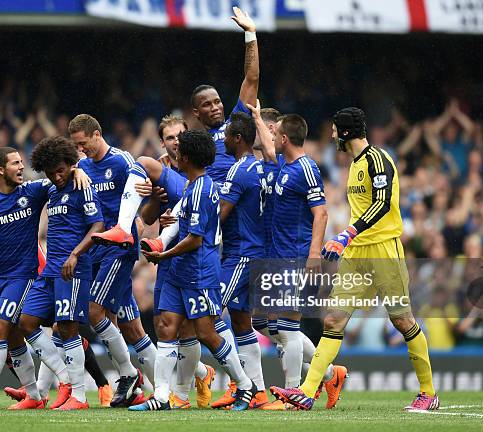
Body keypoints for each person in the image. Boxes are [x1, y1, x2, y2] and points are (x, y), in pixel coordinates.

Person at [269, 107, 439, 412]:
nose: (332, 134)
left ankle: (428, 392)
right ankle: (308, 391)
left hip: (384, 249)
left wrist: (345, 233)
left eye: (335, 130)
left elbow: (383, 204)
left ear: (345, 132)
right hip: (357, 253)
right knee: (333, 319)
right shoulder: (355, 165)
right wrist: (348, 240)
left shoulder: (378, 159)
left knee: (402, 320)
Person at [90, 5, 259, 248]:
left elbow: (251, 78)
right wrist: (155, 188)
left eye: (218, 101)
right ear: (196, 112)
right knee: (146, 163)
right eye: (207, 104)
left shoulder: (236, 126)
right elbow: (179, 174)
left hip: (222, 195)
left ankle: (159, 239)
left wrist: (250, 34)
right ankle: (124, 229)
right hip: (195, 192)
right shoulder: (193, 141)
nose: (215, 107)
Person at [0, 165, 113, 407]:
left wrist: (77, 170)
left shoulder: (20, 196)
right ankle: (36, 393)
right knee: (19, 331)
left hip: (34, 274)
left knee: (57, 327)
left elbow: (56, 180)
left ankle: (93, 384)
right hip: (5, 278)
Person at [129, 130, 256, 411]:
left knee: (206, 333)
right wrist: (162, 236)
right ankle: (162, 397)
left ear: (184, 157)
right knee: (165, 326)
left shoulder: (201, 189)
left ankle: (245, 385)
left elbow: (194, 239)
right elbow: (179, 223)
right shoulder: (192, 185)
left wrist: (164, 254)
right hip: (179, 271)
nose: (176, 154)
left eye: (179, 151)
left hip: (199, 271)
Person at [249, 103, 345, 410]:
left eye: (277, 134)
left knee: (288, 327)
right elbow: (265, 143)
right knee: (262, 323)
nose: (272, 138)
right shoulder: (283, 165)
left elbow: (321, 213)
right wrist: (256, 117)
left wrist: (315, 253)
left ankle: (293, 396)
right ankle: (330, 374)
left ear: (286, 140)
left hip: (296, 257)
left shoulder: (306, 168)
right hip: (276, 258)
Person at [18, 136, 104, 410]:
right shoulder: (51, 189)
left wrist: (76, 254)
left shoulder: (83, 185)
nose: (57, 176)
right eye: (51, 171)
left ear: (70, 163)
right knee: (27, 321)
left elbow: (98, 226)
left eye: (61, 169)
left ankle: (79, 396)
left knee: (67, 328)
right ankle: (65, 378)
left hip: (73, 269)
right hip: (50, 271)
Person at [68, 114, 147, 407]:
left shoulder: (122, 161)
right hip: (96, 249)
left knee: (94, 312)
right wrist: (77, 168)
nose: (81, 149)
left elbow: (144, 194)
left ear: (97, 134)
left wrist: (143, 218)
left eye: (83, 143)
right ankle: (137, 389)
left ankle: (129, 375)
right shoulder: (84, 166)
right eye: (76, 145)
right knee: (120, 324)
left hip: (119, 249)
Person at [137, 115, 215, 408]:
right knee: (165, 324)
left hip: (192, 255)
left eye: (180, 135)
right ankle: (199, 373)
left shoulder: (196, 170)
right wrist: (156, 201)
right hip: (166, 257)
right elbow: (146, 219)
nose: (176, 141)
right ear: (163, 142)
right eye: (170, 137)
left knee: (191, 329)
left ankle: (180, 392)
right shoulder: (158, 172)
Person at [209, 112, 268, 409]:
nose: (224, 143)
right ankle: (258, 391)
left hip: (241, 254)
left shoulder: (238, 170)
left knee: (208, 311)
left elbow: (219, 215)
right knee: (242, 322)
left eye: (228, 137)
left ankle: (243, 385)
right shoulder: (260, 167)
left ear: (238, 139)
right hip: (254, 251)